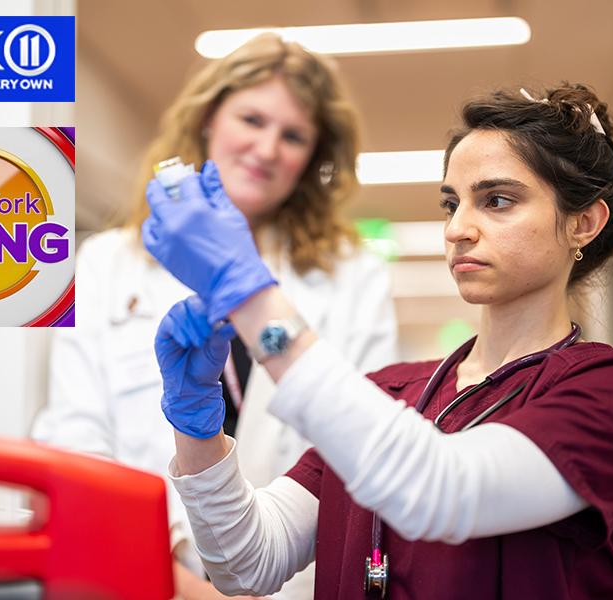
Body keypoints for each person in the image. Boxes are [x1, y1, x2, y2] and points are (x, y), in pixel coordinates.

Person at [144, 83, 613, 599]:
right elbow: (248, 561)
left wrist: (249, 296)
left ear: (584, 222)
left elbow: (445, 490)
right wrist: (197, 427)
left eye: (496, 200)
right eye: (451, 204)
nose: (458, 229)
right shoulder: (391, 390)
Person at [31, 33, 398, 600]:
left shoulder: (353, 276)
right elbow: (75, 440)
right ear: (207, 119)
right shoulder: (108, 263)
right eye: (252, 119)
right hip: (142, 575)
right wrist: (174, 582)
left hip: (292, 581)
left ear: (312, 158)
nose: (267, 148)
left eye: (293, 136)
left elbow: (361, 444)